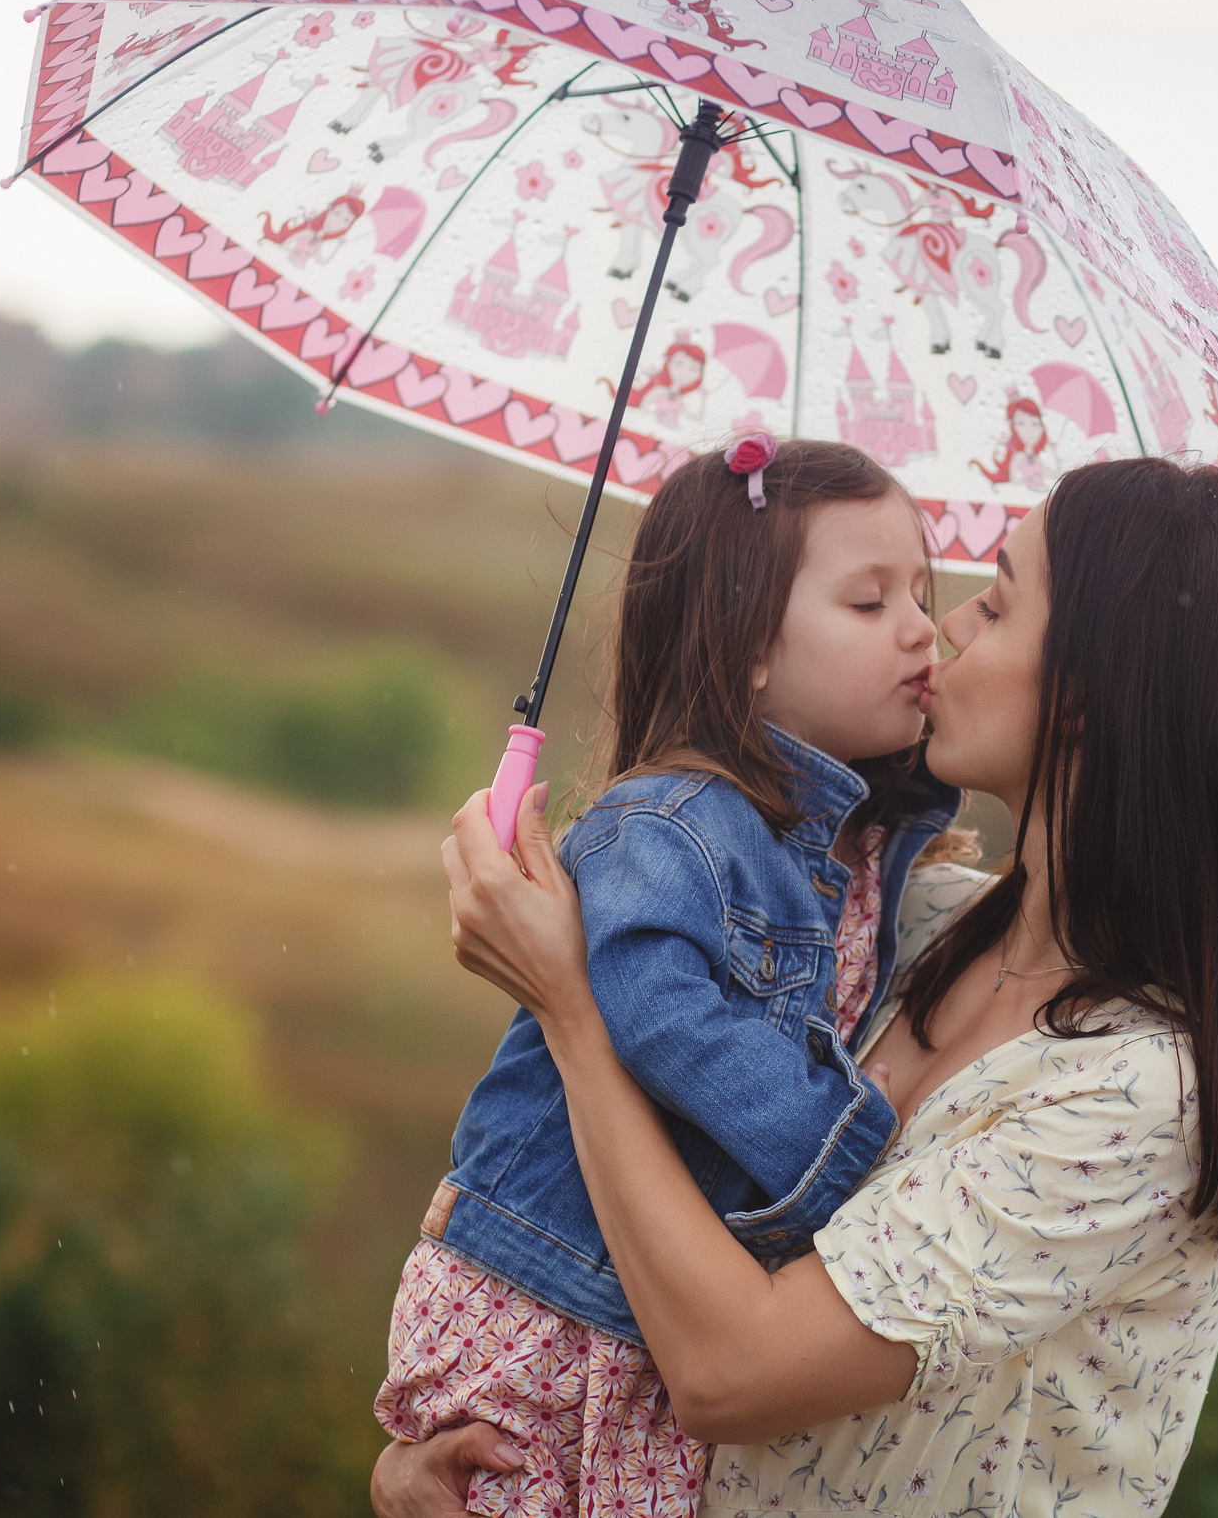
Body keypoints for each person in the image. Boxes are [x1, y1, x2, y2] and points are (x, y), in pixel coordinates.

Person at [385, 457, 1218, 1518]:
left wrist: (572, 1011)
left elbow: (730, 1370)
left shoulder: (1143, 1093)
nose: (946, 626)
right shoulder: (900, 925)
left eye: (996, 604)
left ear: (1096, 694)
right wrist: (470, 1443)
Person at [371, 434, 966, 1516]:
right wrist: (843, 1145)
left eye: (922, 594)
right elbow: (660, 1016)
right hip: (547, 1301)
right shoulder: (672, 822)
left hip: (641, 1313)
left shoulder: (859, 853)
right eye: (870, 601)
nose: (922, 627)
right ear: (747, 647)